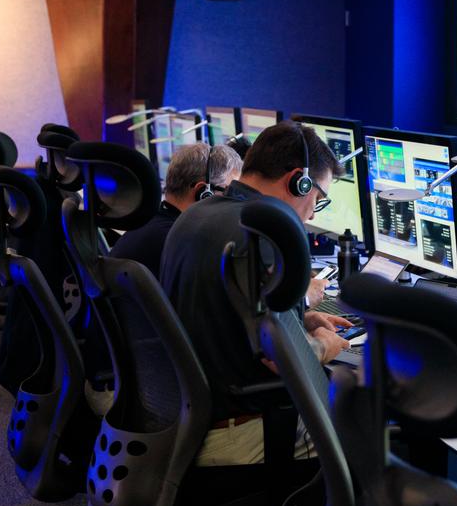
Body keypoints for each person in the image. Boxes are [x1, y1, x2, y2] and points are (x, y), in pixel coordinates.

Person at [160, 122, 350, 469]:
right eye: (318, 197)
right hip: (242, 430)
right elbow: (284, 359)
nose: (311, 212)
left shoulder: (196, 214)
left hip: (184, 420)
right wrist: (325, 345)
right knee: (366, 439)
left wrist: (301, 317)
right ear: (298, 180)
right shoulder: (270, 230)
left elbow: (225, 307)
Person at [108, 142, 240, 278]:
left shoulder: (149, 223)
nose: (232, 201)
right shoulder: (185, 244)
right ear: (203, 192)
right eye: (228, 192)